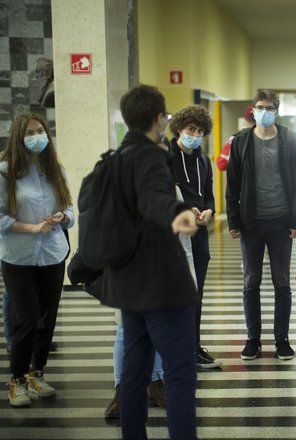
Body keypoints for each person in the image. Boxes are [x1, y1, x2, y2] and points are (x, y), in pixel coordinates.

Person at [100, 85, 200, 440]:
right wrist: (177, 213)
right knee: (180, 373)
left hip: (128, 285)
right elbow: (155, 198)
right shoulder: (152, 158)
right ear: (159, 119)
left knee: (133, 371)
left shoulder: (112, 159)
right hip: (162, 287)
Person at [225, 89, 296, 361]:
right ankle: (253, 339)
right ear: (252, 109)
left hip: (281, 222)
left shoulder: (291, 141)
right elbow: (233, 184)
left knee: (281, 282)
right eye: (260, 107)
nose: (264, 111)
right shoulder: (241, 142)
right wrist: (233, 220)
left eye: (269, 107)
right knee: (251, 282)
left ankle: (282, 339)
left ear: (277, 110)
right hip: (251, 222)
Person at [0, 112, 74, 407]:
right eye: (31, 132)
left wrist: (62, 216)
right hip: (18, 257)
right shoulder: (5, 172)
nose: (37, 136)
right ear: (19, 137)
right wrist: (31, 227)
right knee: (27, 319)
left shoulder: (56, 169)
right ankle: (16, 380)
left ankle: (37, 373)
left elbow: (70, 210)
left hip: (53, 254)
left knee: (47, 319)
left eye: (41, 130)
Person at [167, 105, 222, 369]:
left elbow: (209, 196)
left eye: (200, 131)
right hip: (174, 236)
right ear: (179, 128)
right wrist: (184, 209)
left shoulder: (203, 161)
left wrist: (209, 211)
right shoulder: (164, 158)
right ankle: (173, 348)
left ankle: (193, 346)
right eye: (191, 129)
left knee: (196, 294)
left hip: (200, 236)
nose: (196, 135)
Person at [216, 105, 256, 172]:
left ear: (245, 120)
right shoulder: (267, 139)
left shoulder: (234, 139)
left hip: (240, 181)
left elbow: (221, 164)